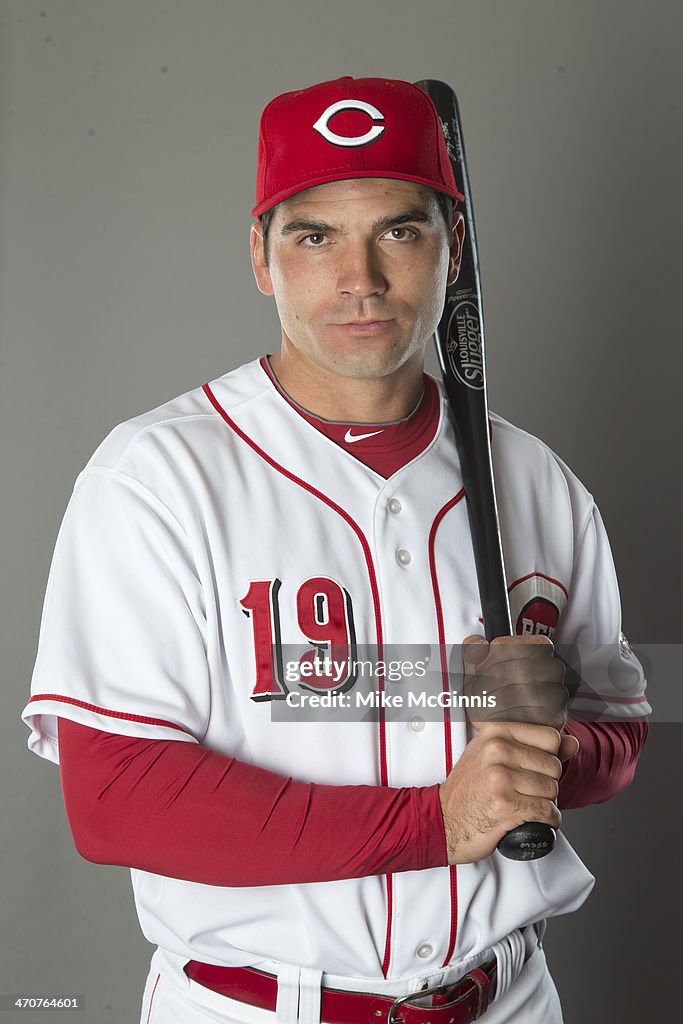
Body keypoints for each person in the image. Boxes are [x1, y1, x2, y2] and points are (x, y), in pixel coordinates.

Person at [22, 76, 650, 1024]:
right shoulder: (156, 475)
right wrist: (437, 821)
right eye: (314, 235)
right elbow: (116, 798)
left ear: (453, 248)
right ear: (261, 258)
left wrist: (548, 748)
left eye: (399, 230)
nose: (360, 277)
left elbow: (624, 727)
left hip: (509, 997)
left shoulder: (536, 481)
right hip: (255, 1009)